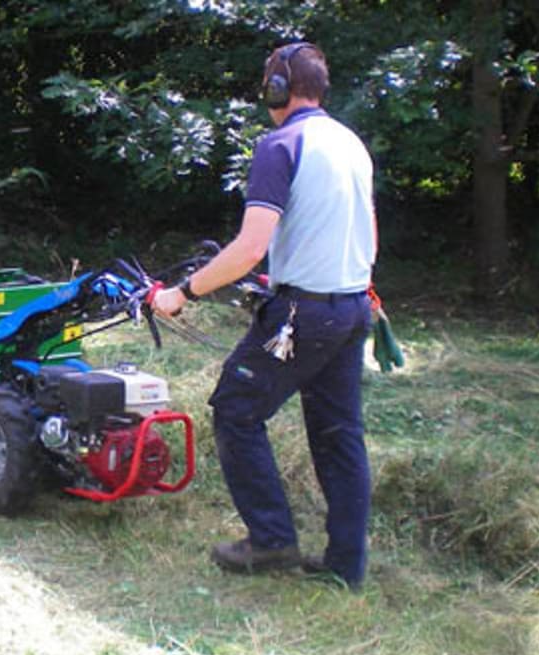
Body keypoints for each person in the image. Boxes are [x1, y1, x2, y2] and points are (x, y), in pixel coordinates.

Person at [152, 42, 376, 590]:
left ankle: (272, 539)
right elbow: (366, 231)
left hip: (304, 316)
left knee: (235, 407)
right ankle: (347, 565)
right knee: (339, 434)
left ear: (278, 88)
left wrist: (183, 292)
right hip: (351, 307)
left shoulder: (281, 145)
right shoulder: (349, 143)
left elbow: (252, 246)